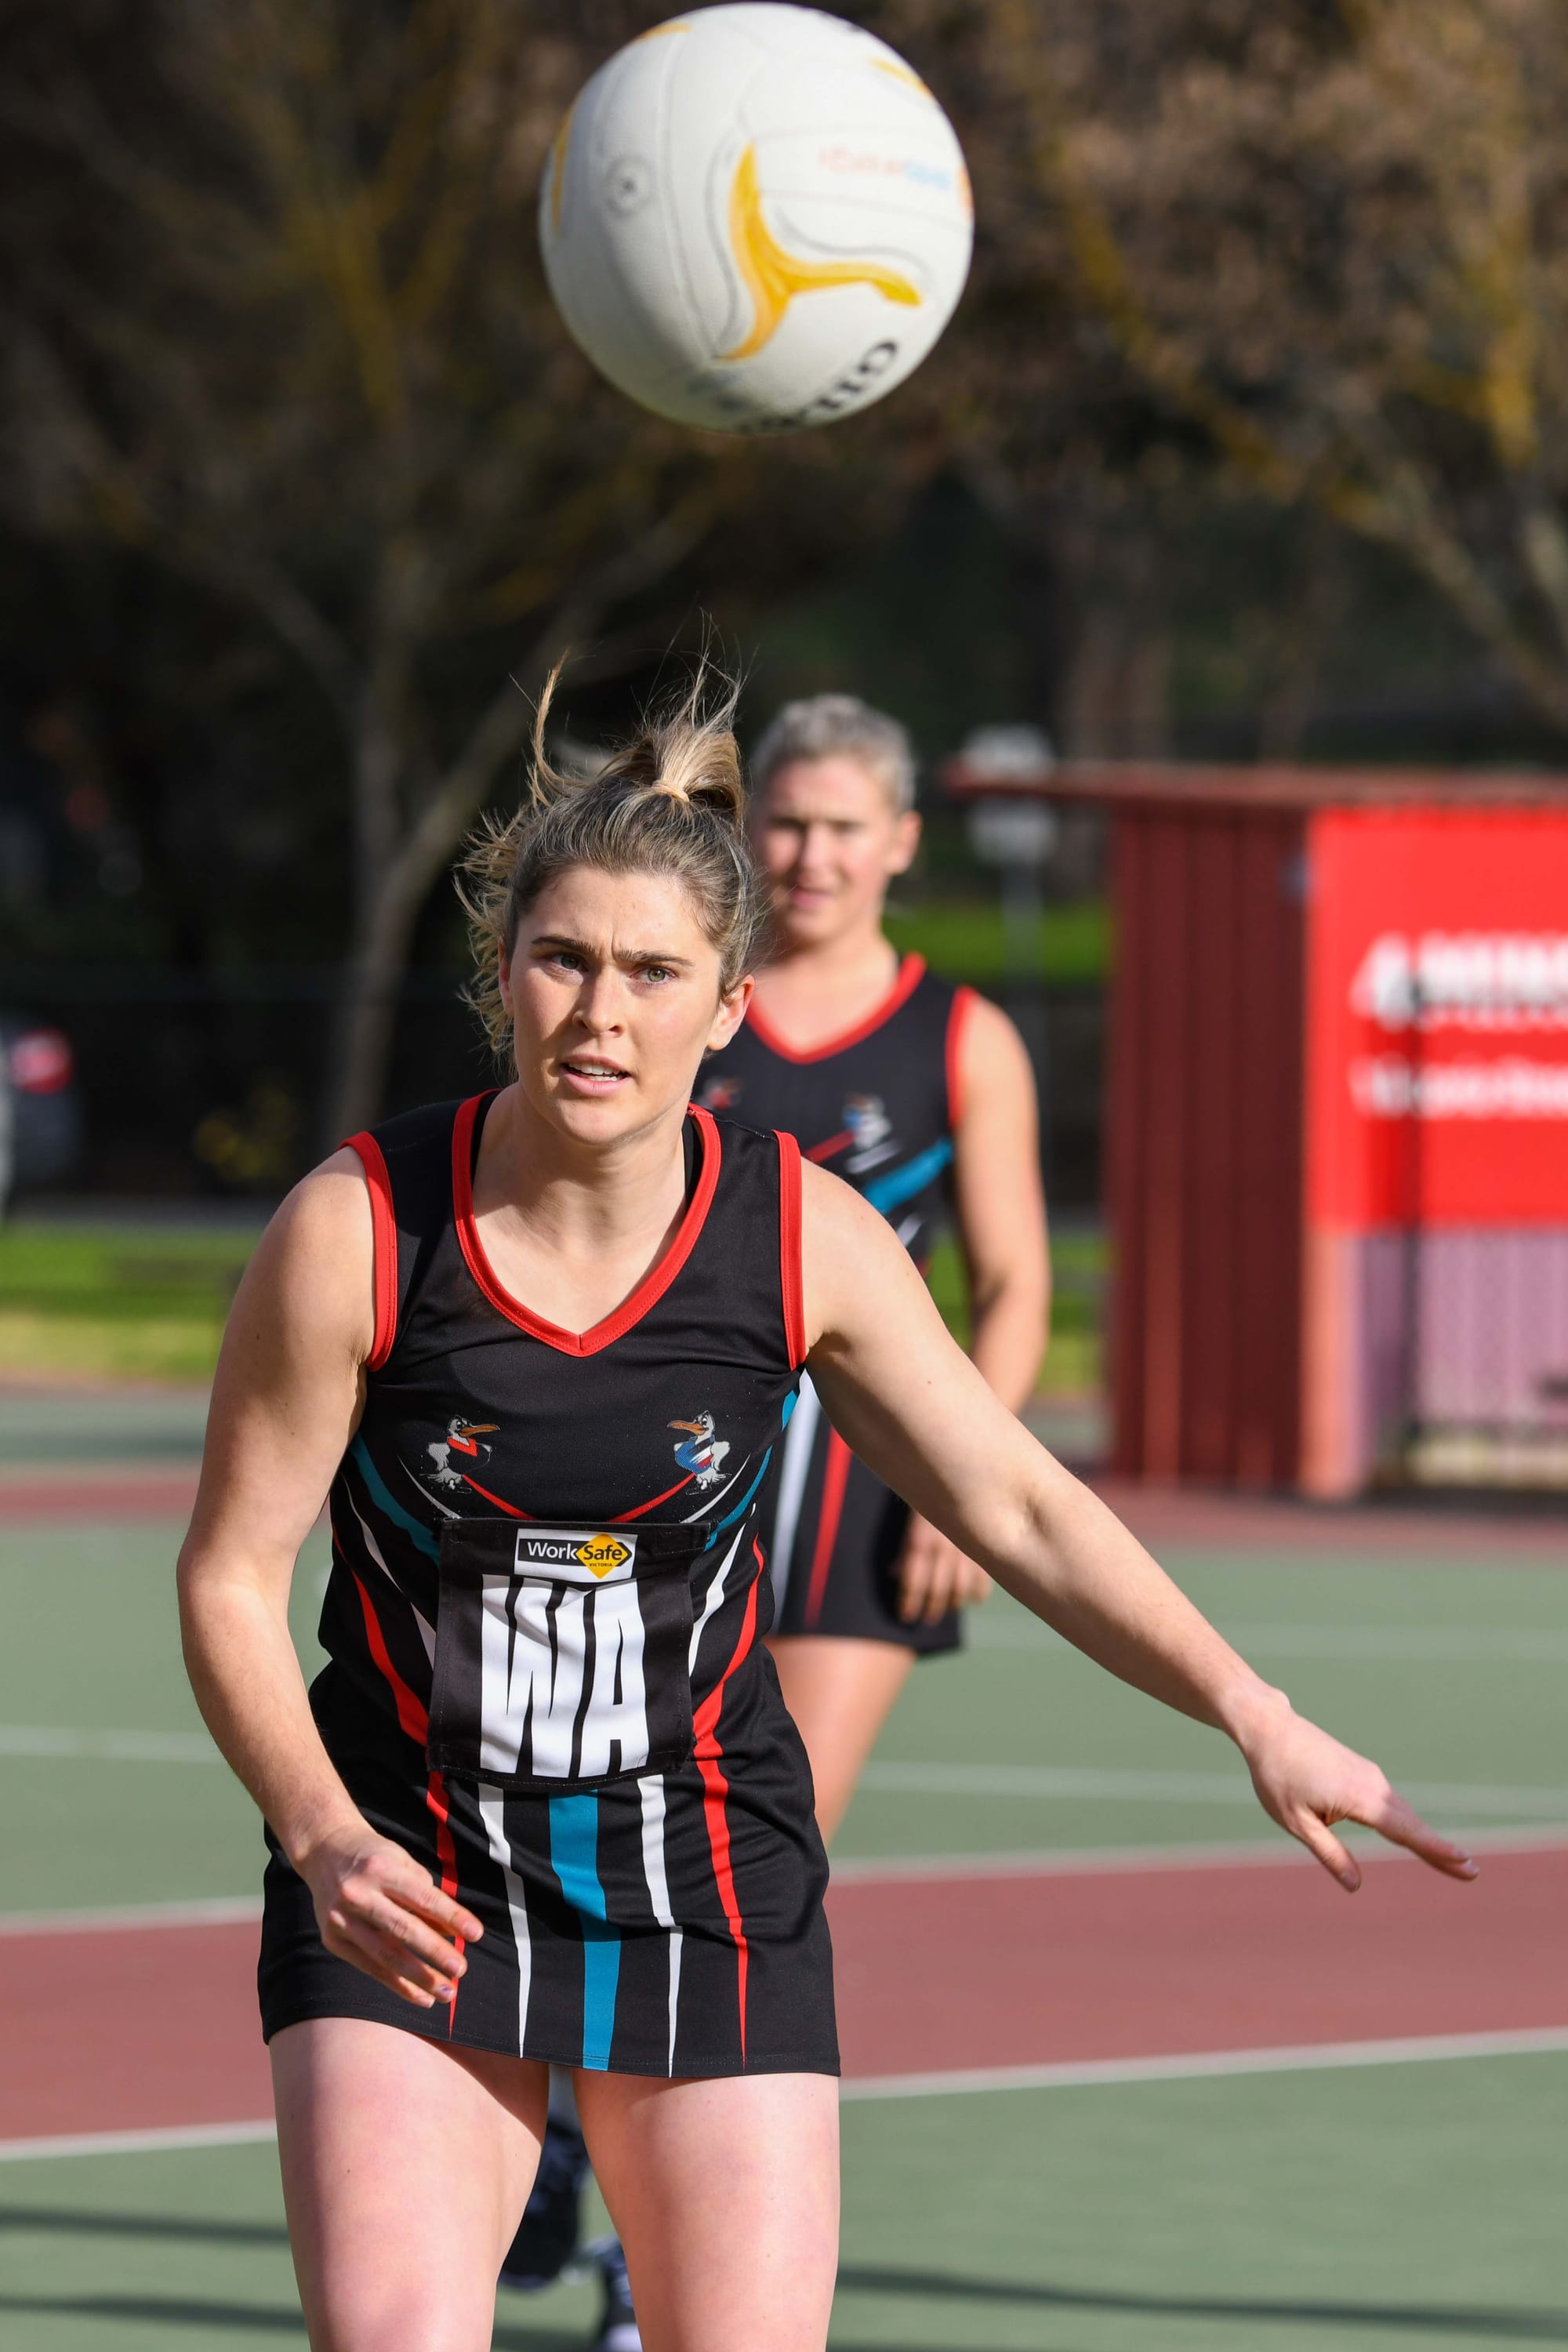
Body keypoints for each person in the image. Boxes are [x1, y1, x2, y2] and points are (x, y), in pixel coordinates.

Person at [178, 673, 1475, 2352]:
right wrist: (316, 1828)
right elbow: (228, 1576)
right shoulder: (361, 1228)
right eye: (563, 959)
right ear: (503, 974)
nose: (599, 1012)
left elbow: (1014, 1498)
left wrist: (1253, 1708)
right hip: (407, 1870)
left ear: (727, 1007)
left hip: (703, 1872)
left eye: (652, 974)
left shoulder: (796, 1238)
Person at [699, 692, 1048, 1839]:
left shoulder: (962, 1037)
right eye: (790, 823)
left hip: (860, 1487)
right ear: (750, 832)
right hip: (674, 1456)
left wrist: (963, 1492)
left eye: (847, 829)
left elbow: (1012, 1287)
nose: (813, 856)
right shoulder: (681, 999)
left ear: (900, 840)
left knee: (773, 1836)